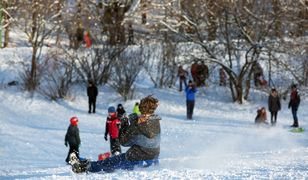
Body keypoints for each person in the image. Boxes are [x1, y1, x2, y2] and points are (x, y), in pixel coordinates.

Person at [69, 95, 161, 173]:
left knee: (110, 162)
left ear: (142, 110)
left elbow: (123, 142)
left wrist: (124, 125)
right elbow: (143, 126)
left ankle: (83, 167)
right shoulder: (155, 121)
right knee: (113, 159)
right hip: (152, 159)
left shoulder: (137, 126)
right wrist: (133, 119)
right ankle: (85, 162)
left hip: (135, 160)